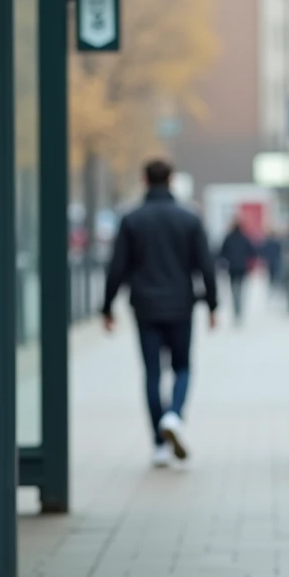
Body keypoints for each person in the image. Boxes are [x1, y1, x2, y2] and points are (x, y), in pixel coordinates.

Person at [102, 159, 218, 468]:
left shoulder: (131, 220)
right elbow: (205, 265)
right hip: (181, 306)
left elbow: (117, 267)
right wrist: (213, 305)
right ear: (171, 181)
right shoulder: (189, 219)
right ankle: (174, 416)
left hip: (145, 307)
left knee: (152, 373)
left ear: (144, 180)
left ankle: (159, 444)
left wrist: (107, 307)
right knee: (182, 367)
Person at [217, 216, 257, 324]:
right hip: (242, 268)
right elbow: (253, 251)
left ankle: (236, 310)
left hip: (232, 268)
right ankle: (238, 310)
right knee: (240, 290)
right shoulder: (244, 237)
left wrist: (224, 261)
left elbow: (221, 252)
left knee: (234, 290)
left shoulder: (228, 237)